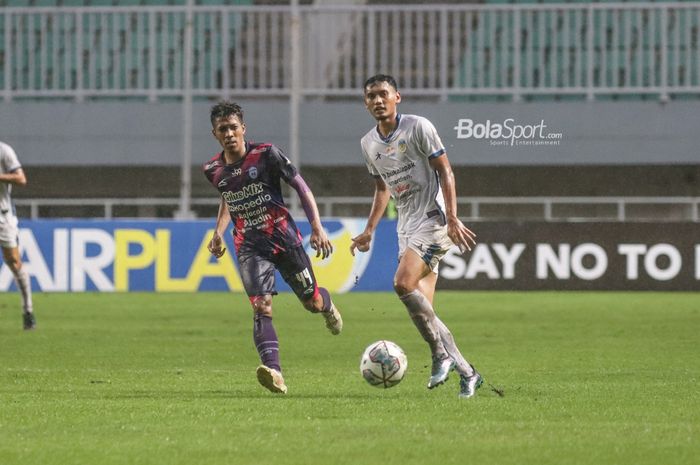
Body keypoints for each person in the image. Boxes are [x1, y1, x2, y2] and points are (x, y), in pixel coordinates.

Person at [350, 74, 482, 398]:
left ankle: (440, 356)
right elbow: (382, 187)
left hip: (434, 219)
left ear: (398, 97)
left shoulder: (418, 127)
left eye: (383, 94)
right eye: (371, 96)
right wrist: (368, 230)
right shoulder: (368, 144)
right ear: (365, 103)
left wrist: (452, 217)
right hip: (405, 226)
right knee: (424, 311)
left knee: (401, 283)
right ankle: (468, 372)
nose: (378, 100)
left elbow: (445, 170)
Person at [203, 101, 342, 395]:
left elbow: (301, 187)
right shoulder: (213, 169)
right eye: (222, 129)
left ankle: (326, 303)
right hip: (249, 247)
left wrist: (317, 227)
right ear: (215, 134)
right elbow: (229, 197)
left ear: (243, 128)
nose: (229, 133)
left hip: (285, 239)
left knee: (311, 303)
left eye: (233, 127)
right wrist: (218, 232)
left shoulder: (266, 154)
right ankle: (274, 372)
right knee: (261, 307)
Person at [0, 140, 35, 330]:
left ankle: (28, 310)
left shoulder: (4, 151)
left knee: (14, 262)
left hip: (3, 217)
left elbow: (21, 179)